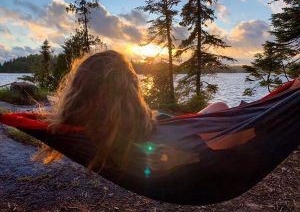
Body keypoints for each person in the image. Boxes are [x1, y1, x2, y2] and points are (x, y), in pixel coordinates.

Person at [34, 50, 229, 171]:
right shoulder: (137, 130)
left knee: (219, 111)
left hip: (169, 128)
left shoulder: (79, 123)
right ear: (130, 89)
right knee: (221, 107)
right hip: (180, 136)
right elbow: (184, 157)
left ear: (79, 89)